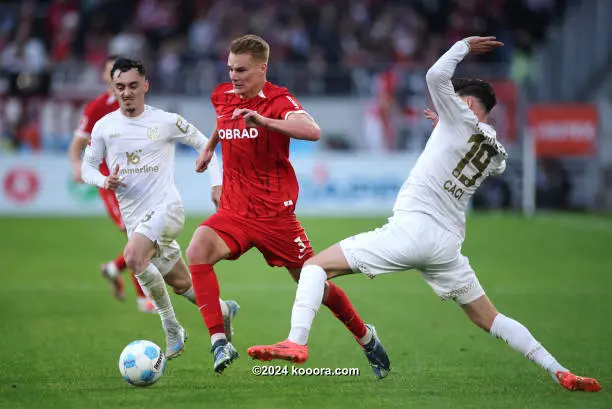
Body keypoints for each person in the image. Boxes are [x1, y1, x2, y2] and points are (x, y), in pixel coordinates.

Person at [247, 37, 601, 392]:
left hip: (412, 231)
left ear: (464, 103)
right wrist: (445, 126)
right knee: (490, 318)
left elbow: (435, 75)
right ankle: (559, 371)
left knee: (314, 267)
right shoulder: (496, 149)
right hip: (446, 247)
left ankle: (295, 341)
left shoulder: (459, 116)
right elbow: (474, 153)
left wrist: (462, 46)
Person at [185, 34, 389, 376]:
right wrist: (209, 147)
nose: (234, 76)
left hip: (275, 217)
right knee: (196, 251)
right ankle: (219, 340)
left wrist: (265, 122)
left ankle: (366, 337)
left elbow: (312, 131)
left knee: (316, 286)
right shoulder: (221, 95)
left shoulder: (278, 100)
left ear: (263, 68)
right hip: (234, 210)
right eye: (231, 69)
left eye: (242, 70)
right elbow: (224, 121)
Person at [81, 57, 238, 359]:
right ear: (113, 88)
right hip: (136, 219)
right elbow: (87, 168)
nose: (126, 92)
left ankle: (171, 327)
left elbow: (206, 144)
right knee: (181, 283)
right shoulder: (104, 127)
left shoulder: (165, 121)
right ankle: (223, 310)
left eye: (132, 86)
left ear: (145, 86)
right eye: (120, 87)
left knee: (132, 257)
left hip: (167, 209)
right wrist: (103, 181)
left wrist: (215, 184)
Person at [68, 55, 155, 312]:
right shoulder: (96, 108)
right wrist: (77, 166)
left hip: (137, 181)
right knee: (138, 236)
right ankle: (142, 298)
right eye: (113, 73)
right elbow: (77, 146)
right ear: (107, 77)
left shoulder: (137, 105)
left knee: (148, 236)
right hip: (110, 183)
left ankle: (113, 268)